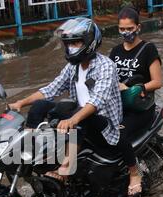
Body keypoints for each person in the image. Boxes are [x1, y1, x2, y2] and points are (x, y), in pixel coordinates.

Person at [9, 17, 128, 184]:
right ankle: (29, 151)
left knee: (79, 116)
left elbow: (96, 102)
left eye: (76, 43)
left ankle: (65, 168)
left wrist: (72, 120)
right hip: (81, 115)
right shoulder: (74, 66)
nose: (71, 48)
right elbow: (51, 89)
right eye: (69, 44)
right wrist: (20, 103)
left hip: (104, 122)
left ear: (90, 43)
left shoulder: (106, 66)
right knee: (39, 106)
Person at [109, 5, 163, 197]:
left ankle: (135, 173)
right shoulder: (115, 51)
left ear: (138, 27)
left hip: (139, 108)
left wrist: (136, 88)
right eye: (122, 29)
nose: (126, 33)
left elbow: (157, 82)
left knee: (118, 135)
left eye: (130, 29)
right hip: (117, 105)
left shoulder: (148, 49)